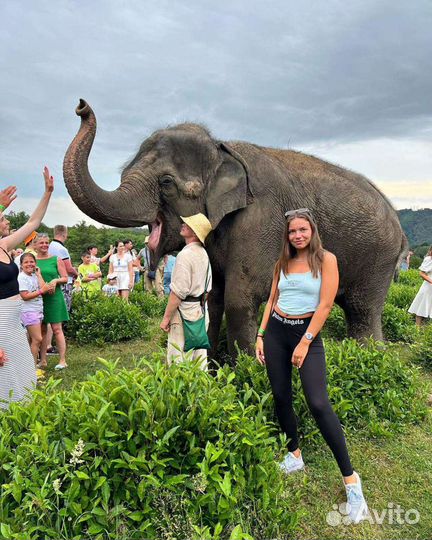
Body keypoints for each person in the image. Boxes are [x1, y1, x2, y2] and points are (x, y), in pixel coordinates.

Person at [255, 208, 368, 524]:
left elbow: (326, 304)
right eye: (292, 232)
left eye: (302, 230)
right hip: (277, 331)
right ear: (287, 235)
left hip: (306, 334)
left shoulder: (326, 260)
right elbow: (271, 300)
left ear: (312, 230)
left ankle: (351, 481)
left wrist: (305, 341)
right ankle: (294, 454)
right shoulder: (282, 263)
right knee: (281, 396)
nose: (298, 236)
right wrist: (261, 335)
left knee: (318, 402)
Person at [0, 167, 53, 409]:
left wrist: (47, 193)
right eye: (3, 218)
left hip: (14, 322)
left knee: (22, 371)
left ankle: (23, 421)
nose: (7, 221)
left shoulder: (4, 245)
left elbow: (34, 222)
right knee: (5, 376)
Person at [160, 214, 212, 369]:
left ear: (195, 232)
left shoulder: (185, 255)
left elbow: (177, 294)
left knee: (178, 361)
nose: (183, 224)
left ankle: (181, 393)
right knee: (199, 360)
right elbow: (207, 290)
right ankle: (201, 392)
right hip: (201, 312)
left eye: (188, 224)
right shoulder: (204, 254)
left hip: (183, 315)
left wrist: (166, 318)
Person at [35, 233, 69, 370]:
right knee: (41, 330)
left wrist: (55, 280)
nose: (44, 245)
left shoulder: (56, 259)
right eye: (41, 243)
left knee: (57, 329)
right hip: (38, 299)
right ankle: (42, 360)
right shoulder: (33, 260)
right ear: (35, 245)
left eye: (46, 242)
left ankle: (62, 360)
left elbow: (65, 278)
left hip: (55, 298)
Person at [18, 253, 54, 371]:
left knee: (33, 339)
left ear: (35, 264)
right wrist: (40, 291)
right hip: (28, 311)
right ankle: (32, 368)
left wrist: (38, 274)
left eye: (32, 262)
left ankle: (29, 366)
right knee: (37, 339)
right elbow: (25, 296)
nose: (29, 264)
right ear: (21, 265)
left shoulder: (34, 275)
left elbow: (45, 288)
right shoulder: (21, 277)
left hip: (38, 310)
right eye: (26, 262)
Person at [49, 225, 77, 311]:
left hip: (53, 280)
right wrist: (76, 273)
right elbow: (68, 268)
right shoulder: (62, 249)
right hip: (64, 282)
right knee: (65, 309)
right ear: (64, 234)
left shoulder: (49, 246)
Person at [408, 246, 432, 326]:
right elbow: (421, 273)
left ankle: (426, 332)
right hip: (428, 286)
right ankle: (417, 331)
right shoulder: (429, 259)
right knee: (421, 308)